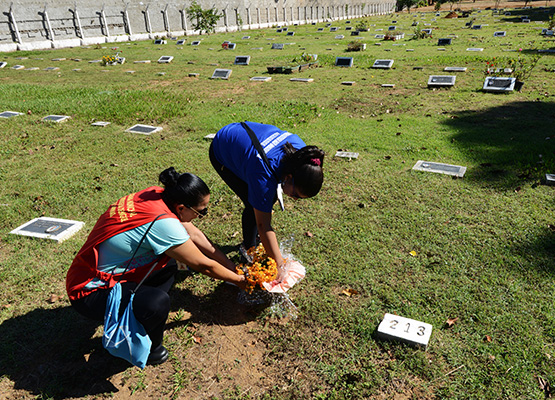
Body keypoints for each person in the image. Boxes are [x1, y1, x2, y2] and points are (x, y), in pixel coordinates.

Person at [66, 167, 246, 366]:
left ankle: (137, 307)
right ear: (181, 208)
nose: (202, 216)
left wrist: (230, 266)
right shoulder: (163, 224)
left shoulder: (157, 196)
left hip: (89, 270)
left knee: (170, 263)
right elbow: (204, 266)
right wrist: (241, 281)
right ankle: (152, 347)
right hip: (88, 291)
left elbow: (193, 234)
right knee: (157, 302)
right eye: (201, 212)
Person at [209, 121, 324, 270]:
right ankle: (249, 249)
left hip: (246, 139)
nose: (295, 199)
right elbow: (264, 225)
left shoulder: (305, 157)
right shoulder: (263, 176)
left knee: (266, 199)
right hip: (223, 147)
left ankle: (255, 240)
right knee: (253, 205)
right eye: (296, 194)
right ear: (288, 177)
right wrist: (280, 266)